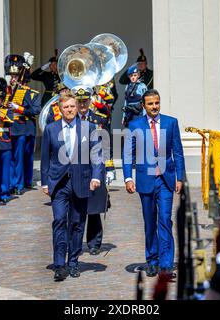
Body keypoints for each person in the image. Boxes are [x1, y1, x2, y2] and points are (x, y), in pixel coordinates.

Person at [40, 91, 103, 282]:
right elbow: (45, 158)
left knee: (77, 223)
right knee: (59, 220)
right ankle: (59, 264)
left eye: (72, 106)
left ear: (77, 108)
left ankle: (74, 262)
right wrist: (44, 182)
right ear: (60, 109)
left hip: (81, 181)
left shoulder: (89, 127)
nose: (69, 110)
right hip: (58, 183)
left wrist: (96, 176)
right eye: (66, 107)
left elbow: (96, 155)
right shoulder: (51, 129)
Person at [123, 89, 185, 278]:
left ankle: (166, 265)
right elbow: (128, 154)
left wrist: (180, 177)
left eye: (157, 103)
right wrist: (128, 178)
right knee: (150, 222)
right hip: (145, 180)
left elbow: (178, 151)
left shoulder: (170, 122)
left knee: (165, 220)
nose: (154, 106)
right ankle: (152, 260)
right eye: (150, 104)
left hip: (166, 180)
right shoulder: (135, 125)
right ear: (144, 106)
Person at [74, 87, 110, 255]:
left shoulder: (98, 119)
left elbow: (106, 143)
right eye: (79, 101)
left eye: (85, 101)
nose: (82, 104)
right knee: (75, 208)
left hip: (94, 167)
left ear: (90, 102)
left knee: (94, 208)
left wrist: (108, 168)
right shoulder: (69, 120)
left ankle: (94, 243)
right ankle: (75, 241)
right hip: (75, 168)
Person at [5, 53, 42, 195]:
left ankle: (23, 182)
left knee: (25, 156)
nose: (13, 78)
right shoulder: (8, 92)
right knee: (13, 157)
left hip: (25, 127)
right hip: (12, 127)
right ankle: (15, 183)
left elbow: (35, 110)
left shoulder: (32, 93)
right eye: (11, 76)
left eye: (15, 76)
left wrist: (19, 108)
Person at [0, 77, 14, 204]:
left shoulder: (7, 110)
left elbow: (10, 122)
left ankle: (5, 192)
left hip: (4, 141)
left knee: (5, 170)